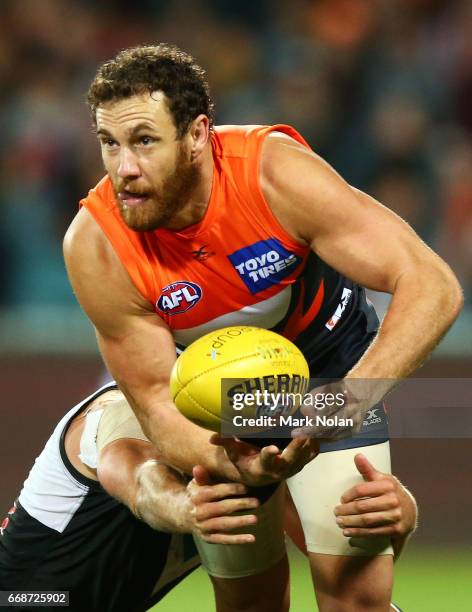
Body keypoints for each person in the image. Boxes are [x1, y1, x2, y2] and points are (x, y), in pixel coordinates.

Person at [63, 44, 462, 611]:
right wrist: (231, 461)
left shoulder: (272, 172)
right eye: (110, 143)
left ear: (197, 134)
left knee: (357, 599)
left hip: (327, 374)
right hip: (216, 403)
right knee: (250, 602)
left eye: (145, 141)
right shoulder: (96, 245)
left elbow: (432, 284)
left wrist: (347, 403)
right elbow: (156, 402)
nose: (123, 168)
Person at [0, 384, 417, 612]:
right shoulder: (130, 411)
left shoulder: (253, 450)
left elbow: (334, 562)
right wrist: (183, 506)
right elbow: (131, 473)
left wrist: (394, 518)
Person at [0, 383, 259, 612]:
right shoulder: (126, 409)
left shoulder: (253, 433)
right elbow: (139, 476)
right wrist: (183, 507)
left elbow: (254, 601)